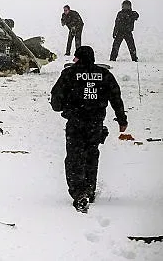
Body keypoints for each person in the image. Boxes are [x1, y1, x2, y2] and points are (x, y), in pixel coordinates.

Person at [50, 45, 128, 213]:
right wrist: (122, 119)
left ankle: (79, 193)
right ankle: (89, 189)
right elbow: (116, 97)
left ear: (79, 58)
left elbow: (56, 100)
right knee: (91, 156)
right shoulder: (104, 75)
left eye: (75, 57)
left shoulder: (70, 74)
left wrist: (66, 108)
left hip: (76, 123)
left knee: (74, 158)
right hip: (96, 124)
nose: (73, 60)